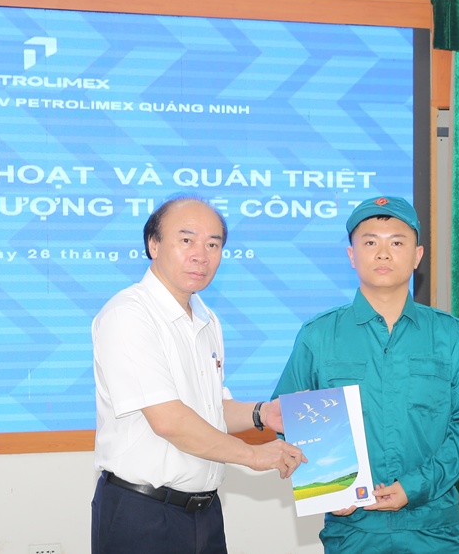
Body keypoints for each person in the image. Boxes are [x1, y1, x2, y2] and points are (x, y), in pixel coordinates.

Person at [91, 194, 307, 554]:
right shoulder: (129, 315)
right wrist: (253, 455)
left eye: (213, 244)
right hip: (141, 513)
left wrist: (262, 413)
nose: (201, 255)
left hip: (204, 514)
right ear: (153, 244)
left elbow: (209, 410)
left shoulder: (206, 319)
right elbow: (169, 420)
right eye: (187, 240)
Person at [272, 196, 459, 554]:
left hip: (432, 528)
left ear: (417, 255)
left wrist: (415, 487)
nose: (383, 254)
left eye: (397, 243)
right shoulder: (318, 336)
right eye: (370, 242)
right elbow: (285, 419)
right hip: (352, 530)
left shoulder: (449, 335)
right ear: (351, 255)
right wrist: (329, 489)